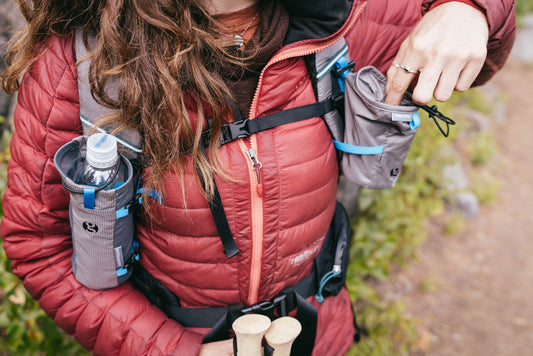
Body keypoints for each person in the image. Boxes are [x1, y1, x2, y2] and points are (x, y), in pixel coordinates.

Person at [0, 0, 515, 355]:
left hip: (320, 330)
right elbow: (37, 244)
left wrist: (468, 11)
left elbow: (481, 51)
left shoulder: (345, 19)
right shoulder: (84, 65)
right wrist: (168, 349)